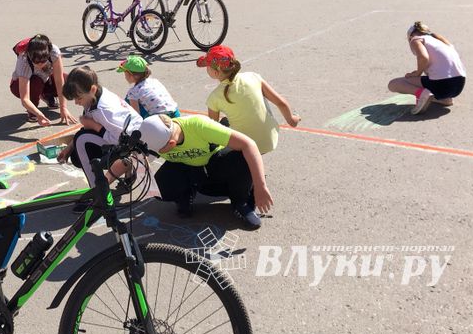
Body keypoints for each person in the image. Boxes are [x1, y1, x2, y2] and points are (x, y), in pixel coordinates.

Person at [137, 114, 273, 227]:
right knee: (157, 188)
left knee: (241, 159)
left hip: (216, 164)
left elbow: (249, 144)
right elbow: (130, 162)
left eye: (155, 151)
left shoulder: (199, 125)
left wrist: (260, 186)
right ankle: (186, 194)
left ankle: (240, 202)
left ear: (171, 144)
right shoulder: (153, 136)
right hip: (190, 169)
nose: (152, 154)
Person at [197, 45, 300, 155]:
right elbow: (281, 103)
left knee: (223, 125)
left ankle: (240, 164)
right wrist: (292, 120)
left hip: (245, 149)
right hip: (269, 140)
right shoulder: (252, 76)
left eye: (207, 66)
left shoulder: (214, 97)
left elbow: (213, 129)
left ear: (216, 73)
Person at [57, 66, 142, 190]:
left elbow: (120, 139)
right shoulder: (95, 95)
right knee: (76, 152)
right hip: (126, 138)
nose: (76, 102)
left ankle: (98, 192)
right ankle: (125, 166)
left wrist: (94, 126)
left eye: (78, 98)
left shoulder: (103, 109)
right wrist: (69, 147)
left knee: (82, 139)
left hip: (133, 145)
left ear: (92, 89)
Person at [387, 21, 466, 115]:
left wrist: (417, 73)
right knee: (433, 77)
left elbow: (423, 57)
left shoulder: (416, 39)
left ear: (410, 36)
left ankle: (422, 94)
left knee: (393, 84)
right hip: (459, 86)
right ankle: (445, 99)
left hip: (442, 85)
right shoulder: (439, 41)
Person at [9, 34, 77, 126]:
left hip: (45, 79)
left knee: (70, 82)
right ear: (29, 55)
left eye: (44, 60)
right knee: (36, 82)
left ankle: (46, 95)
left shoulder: (54, 51)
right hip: (21, 85)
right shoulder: (24, 59)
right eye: (36, 62)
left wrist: (63, 107)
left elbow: (59, 80)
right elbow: (24, 99)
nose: (40, 64)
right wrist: (39, 114)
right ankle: (32, 110)